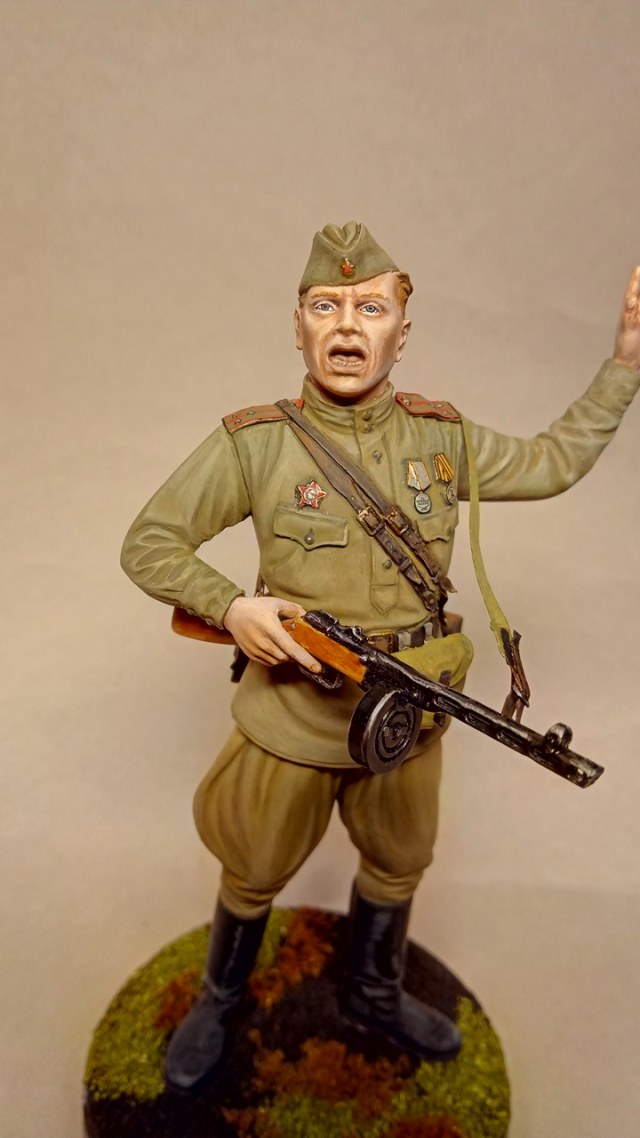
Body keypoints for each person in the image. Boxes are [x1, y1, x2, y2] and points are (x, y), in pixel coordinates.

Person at [121, 222, 640, 1092]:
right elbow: (150, 543)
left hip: (408, 712)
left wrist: (624, 365)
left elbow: (553, 463)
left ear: (403, 331)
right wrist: (232, 606)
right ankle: (220, 1000)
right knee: (253, 867)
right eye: (325, 307)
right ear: (297, 327)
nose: (347, 328)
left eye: (371, 309)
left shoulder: (442, 439)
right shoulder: (255, 443)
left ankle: (372, 992)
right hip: (293, 715)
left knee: (400, 861)